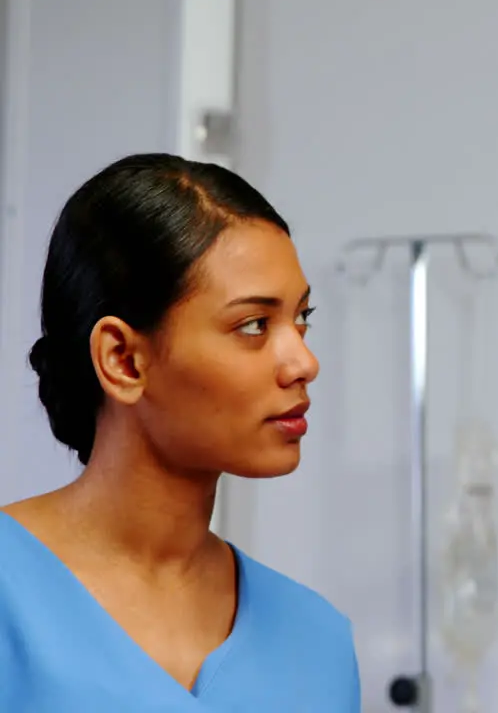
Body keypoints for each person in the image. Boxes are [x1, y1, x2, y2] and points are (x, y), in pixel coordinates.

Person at [0, 153, 360, 711]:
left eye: (301, 319)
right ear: (122, 360)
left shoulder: (318, 642)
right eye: (253, 325)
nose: (303, 362)